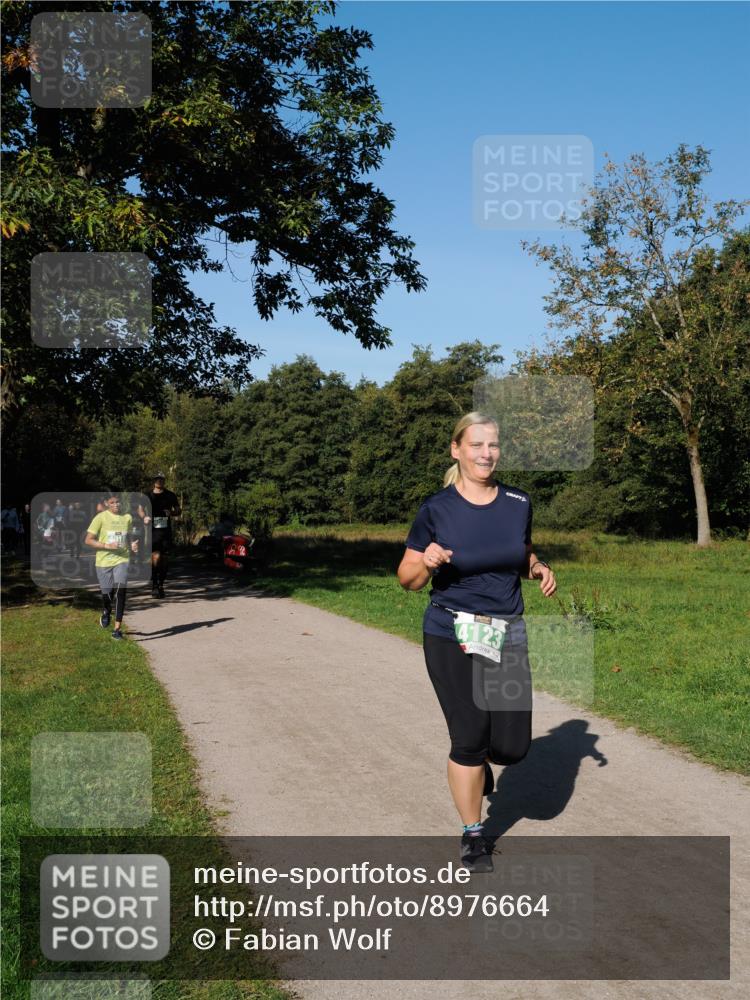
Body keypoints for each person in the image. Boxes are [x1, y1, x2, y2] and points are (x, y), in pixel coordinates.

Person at [397, 412, 556, 873]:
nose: (486, 453)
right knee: (468, 737)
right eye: (477, 445)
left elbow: (518, 551)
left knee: (512, 747)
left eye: (494, 445)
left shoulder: (518, 502)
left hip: (505, 632)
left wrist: (538, 567)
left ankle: (480, 764)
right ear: (457, 450)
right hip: (451, 631)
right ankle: (472, 833)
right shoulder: (436, 509)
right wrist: (426, 562)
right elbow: (407, 579)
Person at [85, 492, 139, 640]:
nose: (116, 505)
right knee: (107, 594)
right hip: (103, 562)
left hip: (122, 559)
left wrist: (132, 545)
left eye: (118, 502)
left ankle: (117, 629)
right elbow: (88, 540)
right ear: (107, 503)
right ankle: (106, 611)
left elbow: (128, 537)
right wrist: (106, 545)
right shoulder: (100, 518)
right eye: (113, 502)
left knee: (121, 591)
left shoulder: (127, 518)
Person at [138, 472, 180, 598]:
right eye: (157, 479)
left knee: (165, 560)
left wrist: (172, 513)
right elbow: (139, 509)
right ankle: (155, 585)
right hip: (153, 531)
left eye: (161, 479)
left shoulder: (170, 495)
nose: (159, 482)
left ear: (164, 481)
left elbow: (178, 510)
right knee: (155, 557)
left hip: (166, 531)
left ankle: (161, 584)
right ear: (154, 481)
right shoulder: (147, 495)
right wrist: (144, 517)